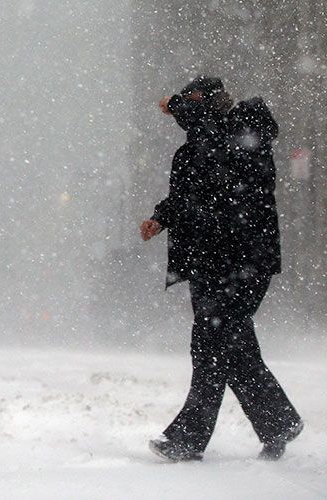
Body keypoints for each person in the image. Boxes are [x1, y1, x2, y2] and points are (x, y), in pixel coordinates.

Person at [140, 76, 303, 461]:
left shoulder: (247, 128)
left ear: (213, 103)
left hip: (242, 263)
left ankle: (188, 439)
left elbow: (224, 171)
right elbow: (193, 195)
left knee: (210, 348)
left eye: (193, 101)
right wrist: (161, 217)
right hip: (210, 263)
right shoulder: (196, 148)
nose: (184, 109)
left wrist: (179, 107)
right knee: (235, 350)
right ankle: (278, 422)